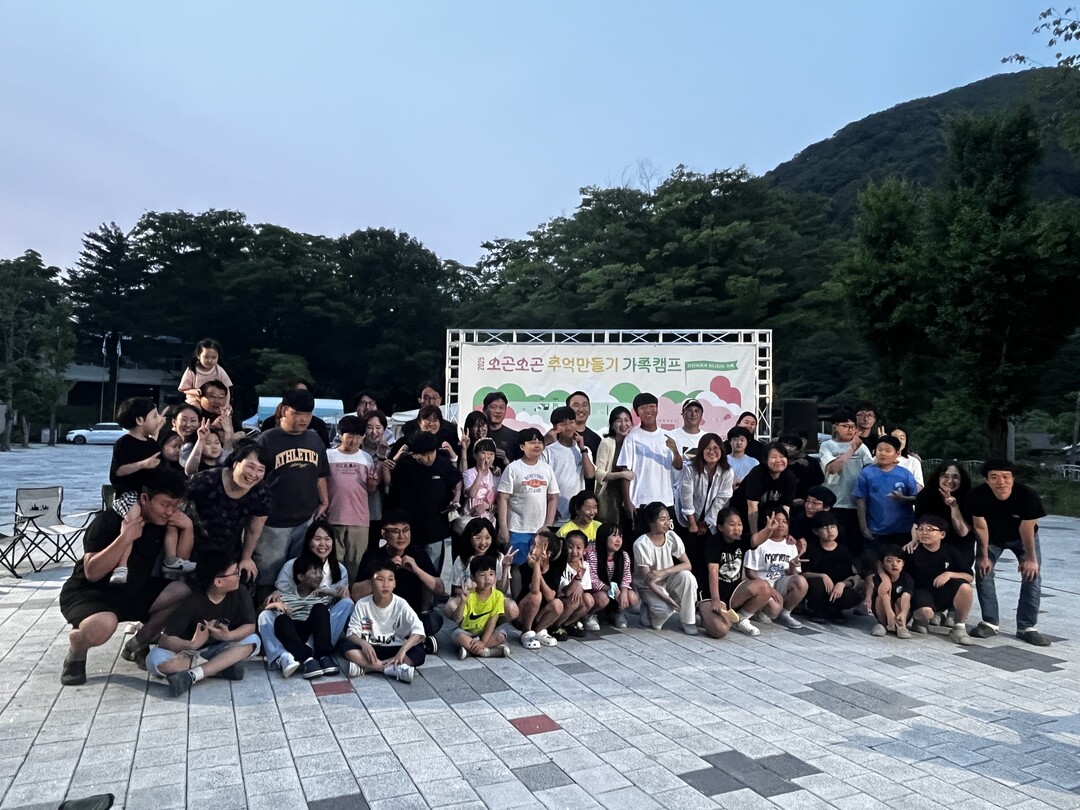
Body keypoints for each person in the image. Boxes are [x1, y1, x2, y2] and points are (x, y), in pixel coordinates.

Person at [59, 470, 191, 685]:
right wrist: (125, 537)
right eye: (164, 504)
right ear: (144, 498)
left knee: (183, 591)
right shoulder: (108, 521)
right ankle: (78, 649)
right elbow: (92, 572)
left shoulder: (161, 525)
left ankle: (138, 645)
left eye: (174, 506)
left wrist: (187, 527)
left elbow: (179, 563)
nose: (169, 512)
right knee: (104, 624)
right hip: (90, 593)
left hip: (133, 590)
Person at [145, 551, 260, 697]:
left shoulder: (240, 592)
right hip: (188, 655)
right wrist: (191, 645)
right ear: (218, 582)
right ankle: (220, 667)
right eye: (235, 573)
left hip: (221, 648)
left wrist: (227, 636)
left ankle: (193, 675)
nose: (239, 576)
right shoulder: (193, 601)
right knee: (154, 660)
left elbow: (250, 626)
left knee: (254, 640)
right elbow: (165, 640)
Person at [255, 388, 330, 597]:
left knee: (300, 575)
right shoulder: (267, 440)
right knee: (267, 574)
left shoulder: (315, 440)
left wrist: (324, 500)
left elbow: (320, 474)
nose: (303, 419)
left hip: (305, 520)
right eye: (297, 414)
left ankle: (296, 611)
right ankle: (263, 611)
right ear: (284, 410)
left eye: (308, 414)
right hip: (273, 522)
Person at [966, 460, 1049, 646]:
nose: (1001, 482)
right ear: (987, 480)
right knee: (983, 571)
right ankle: (990, 622)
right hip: (992, 538)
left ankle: (1026, 626)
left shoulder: (1027, 496)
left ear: (1013, 478)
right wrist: (983, 557)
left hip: (1022, 538)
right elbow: (980, 527)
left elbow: (1027, 529)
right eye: (994, 477)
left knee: (1033, 575)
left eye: (1006, 477)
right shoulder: (977, 495)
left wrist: (1031, 559)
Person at [259, 519, 353, 676]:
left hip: (320, 624)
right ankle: (283, 656)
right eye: (318, 539)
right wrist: (276, 595)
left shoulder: (339, 569)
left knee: (347, 603)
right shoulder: (292, 565)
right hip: (294, 618)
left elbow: (339, 599)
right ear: (309, 541)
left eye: (327, 539)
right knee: (266, 615)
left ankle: (318, 652)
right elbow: (281, 593)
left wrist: (332, 592)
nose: (323, 544)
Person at [352, 512, 445, 653]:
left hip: (409, 618)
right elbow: (355, 594)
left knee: (434, 621)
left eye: (405, 530)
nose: (402, 536)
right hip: (378, 618)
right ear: (384, 534)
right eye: (395, 531)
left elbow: (440, 590)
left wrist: (417, 570)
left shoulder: (417, 553)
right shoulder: (373, 556)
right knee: (351, 623)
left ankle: (402, 640)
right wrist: (386, 571)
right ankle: (415, 642)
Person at [108, 397, 176, 584]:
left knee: (177, 517)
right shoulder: (123, 443)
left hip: (149, 494)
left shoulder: (151, 444)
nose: (157, 420)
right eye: (154, 416)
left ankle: (172, 560)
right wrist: (143, 464)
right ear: (139, 420)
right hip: (128, 494)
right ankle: (121, 565)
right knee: (134, 517)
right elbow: (118, 471)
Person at [184, 439, 270, 580]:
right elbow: (177, 502)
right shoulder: (206, 479)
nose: (254, 474)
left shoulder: (261, 492)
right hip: (193, 547)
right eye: (250, 467)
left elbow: (254, 529)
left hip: (229, 551)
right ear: (236, 464)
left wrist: (246, 558)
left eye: (261, 470)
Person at [386, 431, 462, 571]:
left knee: (432, 571)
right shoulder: (405, 465)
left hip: (435, 528)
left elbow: (456, 480)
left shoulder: (442, 463)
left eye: (432, 452)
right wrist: (396, 458)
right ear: (414, 454)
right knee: (408, 570)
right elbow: (388, 482)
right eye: (424, 454)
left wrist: (456, 497)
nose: (429, 458)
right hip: (410, 531)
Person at [262, 554, 343, 679]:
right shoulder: (286, 597)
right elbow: (262, 612)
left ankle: (324, 656)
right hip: (293, 631)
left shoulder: (323, 596)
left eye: (321, 572)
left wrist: (328, 591)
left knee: (320, 609)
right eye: (314, 572)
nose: (319, 576)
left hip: (311, 631)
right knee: (281, 619)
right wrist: (276, 604)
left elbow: (346, 600)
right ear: (301, 577)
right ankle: (307, 660)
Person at [343, 561, 426, 682]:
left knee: (419, 652)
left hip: (395, 648)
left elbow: (418, 630)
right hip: (372, 649)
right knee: (347, 647)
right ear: (371, 583)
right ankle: (390, 669)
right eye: (380, 579)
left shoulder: (401, 603)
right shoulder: (362, 604)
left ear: (395, 583)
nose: (386, 584)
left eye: (390, 579)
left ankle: (367, 668)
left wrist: (403, 650)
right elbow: (351, 633)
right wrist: (363, 643)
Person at [700, 509, 778, 638]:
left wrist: (769, 529)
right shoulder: (713, 542)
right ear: (720, 527)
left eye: (739, 524)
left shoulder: (741, 539)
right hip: (712, 594)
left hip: (734, 592)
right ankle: (704, 616)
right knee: (720, 630)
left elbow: (756, 540)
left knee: (764, 586)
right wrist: (715, 599)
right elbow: (713, 571)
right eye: (732, 525)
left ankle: (741, 619)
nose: (737, 528)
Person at [677, 433, 735, 592]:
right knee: (689, 555)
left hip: (711, 519)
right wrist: (693, 523)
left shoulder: (727, 471)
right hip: (687, 517)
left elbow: (722, 499)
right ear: (701, 450)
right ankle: (687, 591)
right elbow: (686, 496)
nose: (712, 451)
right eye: (708, 448)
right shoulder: (690, 468)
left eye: (716, 448)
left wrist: (707, 523)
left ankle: (704, 593)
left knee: (706, 556)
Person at [904, 515, 974, 645]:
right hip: (921, 593)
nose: (924, 533)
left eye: (930, 529)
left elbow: (969, 576)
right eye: (920, 529)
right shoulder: (912, 551)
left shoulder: (951, 551)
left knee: (966, 588)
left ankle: (959, 627)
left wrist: (949, 574)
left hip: (943, 592)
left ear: (942, 534)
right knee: (925, 613)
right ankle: (920, 619)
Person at [326, 414, 379, 583]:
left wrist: (372, 483)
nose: (353, 441)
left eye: (358, 436)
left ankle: (353, 593)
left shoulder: (366, 458)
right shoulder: (329, 456)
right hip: (333, 516)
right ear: (341, 435)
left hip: (359, 519)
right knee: (333, 561)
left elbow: (370, 490)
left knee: (356, 563)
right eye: (349, 436)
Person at [617, 393, 683, 531]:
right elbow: (625, 472)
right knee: (640, 540)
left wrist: (675, 451)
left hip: (665, 501)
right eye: (643, 408)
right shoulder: (632, 437)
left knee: (667, 541)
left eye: (652, 406)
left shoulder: (668, 436)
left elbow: (678, 466)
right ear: (637, 413)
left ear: (657, 408)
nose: (648, 411)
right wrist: (627, 501)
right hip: (639, 502)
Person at [633, 502, 698, 635]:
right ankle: (648, 608)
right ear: (651, 522)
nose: (667, 523)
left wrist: (664, 571)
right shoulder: (641, 544)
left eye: (668, 519)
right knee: (662, 614)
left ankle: (688, 620)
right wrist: (668, 600)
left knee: (688, 577)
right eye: (662, 519)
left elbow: (687, 565)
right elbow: (649, 581)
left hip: (667, 580)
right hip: (648, 587)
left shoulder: (672, 537)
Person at [497, 427, 559, 562]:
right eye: (532, 442)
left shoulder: (547, 469)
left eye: (539, 442)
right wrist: (503, 527)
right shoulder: (513, 468)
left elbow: (553, 497)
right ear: (522, 446)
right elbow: (503, 498)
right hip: (517, 529)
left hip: (540, 530)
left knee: (538, 566)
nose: (537, 445)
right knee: (516, 566)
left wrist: (547, 526)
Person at [818, 409, 873, 556]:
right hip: (834, 504)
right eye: (846, 426)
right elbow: (833, 468)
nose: (850, 430)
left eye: (853, 426)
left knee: (856, 547)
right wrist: (851, 449)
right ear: (835, 427)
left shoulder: (862, 447)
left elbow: (871, 470)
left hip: (856, 504)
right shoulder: (827, 445)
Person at [742, 506, 807, 629]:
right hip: (762, 584)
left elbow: (793, 575)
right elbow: (750, 572)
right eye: (776, 521)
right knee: (773, 610)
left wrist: (792, 566)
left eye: (784, 521)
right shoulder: (758, 543)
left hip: (780, 583)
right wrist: (770, 590)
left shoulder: (790, 545)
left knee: (801, 582)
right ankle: (759, 610)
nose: (781, 525)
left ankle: (785, 613)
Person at [444, 517, 518, 622]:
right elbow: (456, 588)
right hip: (471, 599)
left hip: (492, 600)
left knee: (512, 608)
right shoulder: (462, 559)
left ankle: (493, 624)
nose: (483, 542)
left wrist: (505, 567)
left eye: (487, 538)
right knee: (450, 606)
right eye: (478, 538)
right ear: (469, 538)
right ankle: (470, 625)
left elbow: (502, 590)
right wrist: (469, 595)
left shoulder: (499, 558)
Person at [852, 435, 918, 553]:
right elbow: (861, 500)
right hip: (876, 530)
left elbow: (916, 498)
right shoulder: (866, 473)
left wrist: (903, 498)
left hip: (903, 530)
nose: (882, 453)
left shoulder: (905, 474)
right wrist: (864, 527)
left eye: (888, 451)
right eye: (880, 450)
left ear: (897, 453)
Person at [801, 512, 863, 623]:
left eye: (833, 527)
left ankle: (834, 610)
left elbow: (852, 577)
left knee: (853, 595)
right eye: (825, 528)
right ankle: (816, 609)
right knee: (817, 583)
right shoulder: (811, 549)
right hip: (819, 589)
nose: (830, 531)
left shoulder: (843, 551)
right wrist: (823, 576)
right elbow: (804, 573)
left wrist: (842, 584)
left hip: (836, 590)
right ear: (816, 531)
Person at [451, 556, 511, 659]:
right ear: (473, 577)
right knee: (457, 635)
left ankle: (470, 651)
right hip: (468, 632)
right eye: (482, 575)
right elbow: (457, 619)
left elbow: (492, 621)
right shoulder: (469, 595)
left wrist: (482, 641)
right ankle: (488, 652)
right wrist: (463, 601)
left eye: (491, 574)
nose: (488, 579)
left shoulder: (498, 596)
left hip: (486, 632)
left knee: (501, 635)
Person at [542, 406, 595, 524]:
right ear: (555, 427)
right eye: (563, 424)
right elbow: (542, 482)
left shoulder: (584, 450)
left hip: (577, 515)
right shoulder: (548, 451)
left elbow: (590, 474)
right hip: (554, 514)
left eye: (571, 422)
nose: (568, 427)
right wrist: (549, 507)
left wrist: (583, 449)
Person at [516, 531, 567, 650]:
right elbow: (534, 589)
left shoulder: (555, 569)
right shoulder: (526, 567)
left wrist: (538, 570)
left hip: (540, 614)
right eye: (533, 544)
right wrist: (536, 566)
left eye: (537, 546)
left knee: (558, 604)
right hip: (523, 613)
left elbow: (550, 596)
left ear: (548, 553)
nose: (532, 548)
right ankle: (526, 631)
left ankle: (538, 631)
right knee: (536, 596)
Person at [731, 443, 797, 533]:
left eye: (782, 456)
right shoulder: (757, 474)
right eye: (773, 457)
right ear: (765, 460)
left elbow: (785, 508)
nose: (778, 460)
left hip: (767, 516)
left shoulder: (789, 477)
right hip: (743, 513)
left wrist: (785, 533)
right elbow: (752, 506)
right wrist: (754, 534)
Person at [584, 524, 638, 628]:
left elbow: (626, 577)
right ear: (603, 537)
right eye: (614, 535)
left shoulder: (624, 556)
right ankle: (589, 615)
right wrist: (612, 589)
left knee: (632, 597)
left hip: (615, 590)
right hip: (597, 591)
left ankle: (617, 612)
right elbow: (593, 580)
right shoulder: (593, 555)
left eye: (620, 536)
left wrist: (623, 592)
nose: (618, 540)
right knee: (603, 598)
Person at [593, 406, 635, 526]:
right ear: (612, 425)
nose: (623, 424)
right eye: (618, 421)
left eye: (626, 420)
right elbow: (598, 473)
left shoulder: (635, 442)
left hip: (632, 496)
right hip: (609, 496)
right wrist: (622, 474)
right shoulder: (607, 443)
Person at [259, 380, 332, 448]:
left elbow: (325, 451)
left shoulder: (318, 427)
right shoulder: (268, 428)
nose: (303, 419)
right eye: (297, 414)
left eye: (305, 392)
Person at [550, 530, 594, 640]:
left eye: (578, 548)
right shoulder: (561, 565)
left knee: (589, 599)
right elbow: (566, 592)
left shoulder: (585, 565)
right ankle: (555, 625)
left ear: (585, 550)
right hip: (561, 599)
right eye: (570, 547)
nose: (574, 551)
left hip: (575, 597)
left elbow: (586, 588)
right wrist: (577, 581)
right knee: (574, 600)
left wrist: (579, 587)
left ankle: (567, 624)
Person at [398, 382, 460, 455]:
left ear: (440, 399)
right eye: (427, 398)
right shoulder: (409, 427)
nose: (431, 402)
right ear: (419, 399)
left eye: (435, 398)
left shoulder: (450, 429)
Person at [390, 404, 460, 465]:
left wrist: (453, 455)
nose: (431, 424)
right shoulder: (405, 442)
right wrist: (397, 457)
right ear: (419, 422)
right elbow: (389, 466)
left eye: (435, 420)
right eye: (428, 419)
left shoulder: (446, 443)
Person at [869, 545, 914, 638]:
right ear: (882, 564)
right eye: (889, 561)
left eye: (898, 561)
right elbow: (883, 594)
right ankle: (881, 624)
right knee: (880, 597)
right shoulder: (878, 578)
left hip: (900, 613)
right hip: (884, 611)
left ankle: (901, 626)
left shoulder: (907, 578)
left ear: (903, 563)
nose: (894, 564)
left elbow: (906, 596)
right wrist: (890, 614)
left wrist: (904, 613)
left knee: (901, 599)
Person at [178, 338, 233, 407]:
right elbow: (183, 389)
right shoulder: (192, 370)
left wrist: (226, 405)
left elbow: (227, 388)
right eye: (206, 357)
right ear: (198, 355)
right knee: (195, 408)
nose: (210, 360)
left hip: (215, 401)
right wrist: (194, 391)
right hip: (195, 400)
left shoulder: (219, 370)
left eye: (213, 357)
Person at [459, 438, 500, 529]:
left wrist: (487, 506)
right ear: (475, 455)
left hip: (488, 522)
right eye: (483, 453)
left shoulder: (496, 478)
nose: (487, 457)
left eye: (491, 454)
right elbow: (472, 494)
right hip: (469, 521)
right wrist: (480, 473)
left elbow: (500, 506)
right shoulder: (469, 474)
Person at [198, 380, 245, 445]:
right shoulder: (195, 412)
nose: (217, 401)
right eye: (212, 396)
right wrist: (213, 427)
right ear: (201, 397)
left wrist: (231, 435)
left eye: (221, 397)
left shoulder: (227, 414)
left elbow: (241, 433)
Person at [484, 391, 519, 466]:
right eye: (493, 407)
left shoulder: (515, 436)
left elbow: (519, 466)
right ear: (484, 409)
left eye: (501, 408)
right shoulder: (478, 434)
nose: (498, 411)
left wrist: (506, 460)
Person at [566, 391, 602, 458]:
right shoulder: (560, 436)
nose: (581, 409)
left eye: (584, 405)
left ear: (590, 409)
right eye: (576, 406)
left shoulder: (596, 439)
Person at [890, 426, 924, 490]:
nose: (899, 441)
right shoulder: (878, 459)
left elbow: (920, 486)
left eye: (902, 438)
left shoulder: (913, 461)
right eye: (895, 437)